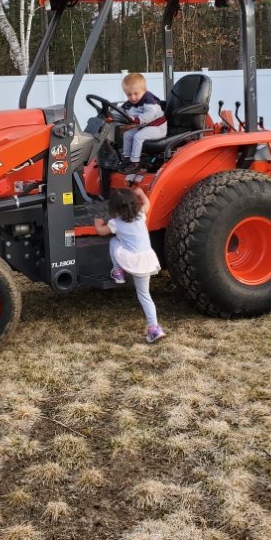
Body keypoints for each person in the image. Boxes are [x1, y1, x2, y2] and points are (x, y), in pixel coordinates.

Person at [94, 185, 166, 344]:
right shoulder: (141, 215)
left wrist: (97, 222)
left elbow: (101, 232)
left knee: (113, 241)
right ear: (134, 204)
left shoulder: (115, 223)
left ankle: (118, 271)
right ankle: (154, 328)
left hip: (132, 261)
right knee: (145, 296)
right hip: (147, 261)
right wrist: (141, 194)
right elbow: (148, 204)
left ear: (114, 207)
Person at [119, 72, 167, 173]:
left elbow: (149, 114)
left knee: (138, 136)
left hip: (158, 127)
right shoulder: (131, 102)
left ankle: (135, 162)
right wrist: (108, 113)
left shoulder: (149, 100)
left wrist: (136, 120)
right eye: (129, 95)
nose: (132, 97)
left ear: (144, 91)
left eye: (136, 93)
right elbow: (120, 110)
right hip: (145, 126)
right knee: (127, 134)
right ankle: (127, 157)